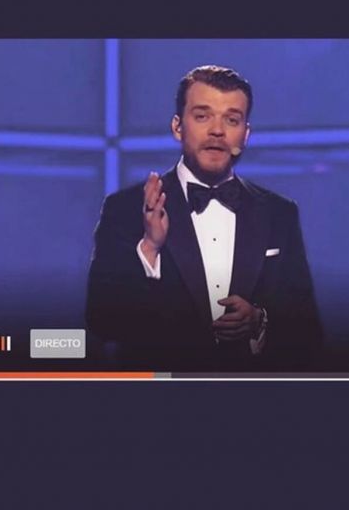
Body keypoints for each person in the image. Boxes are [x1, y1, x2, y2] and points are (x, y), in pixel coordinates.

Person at [86, 65, 323, 371]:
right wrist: (149, 249)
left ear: (246, 134)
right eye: (202, 116)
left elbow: (308, 332)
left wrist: (259, 322)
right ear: (177, 127)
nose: (217, 131)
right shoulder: (125, 208)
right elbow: (102, 320)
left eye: (232, 119)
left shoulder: (280, 213)